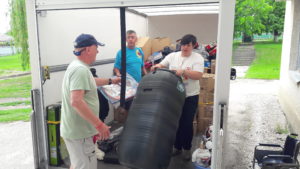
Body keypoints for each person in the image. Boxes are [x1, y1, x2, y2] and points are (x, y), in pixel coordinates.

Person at [60, 33, 120, 169]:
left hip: (76, 131)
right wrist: (99, 125)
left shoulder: (77, 66)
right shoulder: (80, 70)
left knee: (77, 163)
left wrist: (111, 81)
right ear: (88, 49)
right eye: (96, 47)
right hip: (80, 134)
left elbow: (91, 81)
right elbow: (76, 101)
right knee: (85, 165)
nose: (98, 51)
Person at [151, 34, 204, 161]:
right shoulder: (172, 56)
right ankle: (177, 147)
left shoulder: (197, 58)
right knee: (175, 123)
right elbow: (162, 65)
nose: (185, 47)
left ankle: (186, 148)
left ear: (193, 46)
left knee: (186, 123)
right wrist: (156, 66)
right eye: (183, 44)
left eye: (188, 45)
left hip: (190, 96)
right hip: (173, 96)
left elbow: (198, 75)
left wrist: (184, 72)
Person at [113, 30, 147, 110]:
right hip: (127, 87)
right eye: (129, 37)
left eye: (133, 37)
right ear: (126, 40)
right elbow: (116, 68)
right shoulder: (121, 52)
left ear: (136, 39)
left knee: (138, 106)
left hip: (138, 85)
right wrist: (118, 74)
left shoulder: (139, 51)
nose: (131, 39)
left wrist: (147, 77)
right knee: (129, 108)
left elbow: (142, 67)